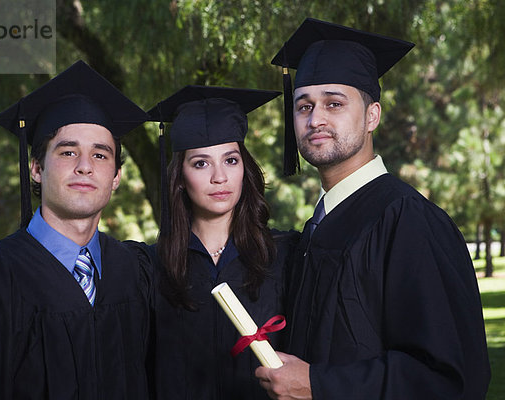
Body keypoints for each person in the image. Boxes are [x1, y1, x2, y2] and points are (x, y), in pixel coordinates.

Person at [255, 18, 491, 399]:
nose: (315, 119)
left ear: (372, 116)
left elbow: (448, 378)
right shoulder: (316, 229)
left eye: (334, 103)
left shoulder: (409, 221)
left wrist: (320, 385)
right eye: (303, 106)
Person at [0, 61, 152, 399]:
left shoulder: (137, 273)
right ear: (36, 169)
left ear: (115, 178)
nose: (85, 166)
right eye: (68, 151)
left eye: (101, 155)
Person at [131, 85, 299, 399]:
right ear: (179, 177)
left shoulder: (285, 255)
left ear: (244, 169)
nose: (219, 177)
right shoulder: (151, 268)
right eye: (201, 163)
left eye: (231, 160)